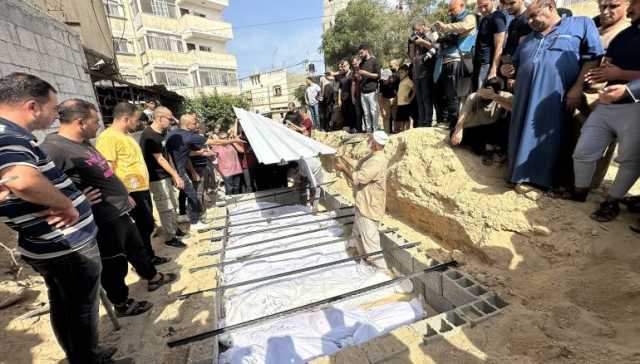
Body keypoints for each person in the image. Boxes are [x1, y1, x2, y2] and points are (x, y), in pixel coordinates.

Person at [0, 73, 131, 364]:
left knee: (68, 306)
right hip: (65, 245)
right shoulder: (6, 135)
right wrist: (67, 205)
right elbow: (20, 179)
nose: (56, 115)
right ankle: (87, 359)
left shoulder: (12, 135)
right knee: (79, 309)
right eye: (53, 108)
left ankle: (85, 353)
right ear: (32, 106)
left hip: (55, 243)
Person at [42, 99, 177, 315]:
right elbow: (41, 186)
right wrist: (74, 199)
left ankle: (153, 277)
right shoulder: (54, 148)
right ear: (80, 122)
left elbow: (106, 170)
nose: (99, 125)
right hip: (102, 217)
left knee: (137, 247)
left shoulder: (83, 142)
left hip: (118, 208)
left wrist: (124, 195)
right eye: (95, 121)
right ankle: (122, 303)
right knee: (115, 263)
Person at [501, 0, 603, 190]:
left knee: (548, 134)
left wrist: (577, 87)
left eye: (534, 15)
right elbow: (514, 64)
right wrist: (508, 70)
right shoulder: (529, 38)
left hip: (555, 96)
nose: (530, 21)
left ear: (550, 6)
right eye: (528, 18)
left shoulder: (580, 24)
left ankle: (540, 181)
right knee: (520, 131)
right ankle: (517, 176)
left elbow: (594, 57)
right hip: (525, 96)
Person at [571, 0, 640, 221]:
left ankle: (612, 202)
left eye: (636, 4)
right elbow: (606, 68)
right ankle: (579, 192)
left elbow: (617, 72)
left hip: (635, 107)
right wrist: (598, 76)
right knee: (584, 151)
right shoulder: (624, 35)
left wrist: (621, 74)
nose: (631, 8)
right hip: (607, 103)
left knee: (629, 160)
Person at [96, 102, 180, 259]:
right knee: (142, 226)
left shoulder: (126, 135)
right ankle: (145, 259)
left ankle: (148, 256)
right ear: (126, 118)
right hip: (129, 192)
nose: (139, 122)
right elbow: (107, 170)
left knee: (147, 225)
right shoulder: (107, 138)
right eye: (136, 119)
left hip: (140, 188)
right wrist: (122, 193)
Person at [335, 131, 390, 270]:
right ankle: (355, 251)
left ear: (376, 144)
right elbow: (358, 164)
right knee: (357, 232)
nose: (368, 141)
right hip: (363, 203)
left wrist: (342, 169)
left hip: (369, 206)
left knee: (371, 242)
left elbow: (358, 177)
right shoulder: (373, 156)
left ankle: (383, 271)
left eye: (370, 140)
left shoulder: (377, 161)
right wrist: (343, 156)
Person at [139, 107, 187, 247]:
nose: (172, 122)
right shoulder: (149, 135)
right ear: (160, 118)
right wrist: (175, 175)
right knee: (166, 207)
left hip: (164, 174)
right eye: (170, 119)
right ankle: (170, 237)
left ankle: (174, 228)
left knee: (172, 204)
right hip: (157, 178)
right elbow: (160, 159)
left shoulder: (162, 132)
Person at [434, 0, 478, 130]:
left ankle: (454, 124)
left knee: (453, 94)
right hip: (446, 61)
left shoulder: (470, 17)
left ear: (462, 6)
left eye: (452, 9)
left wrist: (445, 27)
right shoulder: (454, 22)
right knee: (445, 94)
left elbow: (463, 27)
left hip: (459, 60)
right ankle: (448, 121)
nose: (450, 12)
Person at [451, 79, 513, 163]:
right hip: (476, 128)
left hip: (494, 128)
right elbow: (463, 114)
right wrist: (459, 129)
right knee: (454, 135)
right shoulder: (474, 96)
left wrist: (493, 96)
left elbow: (515, 105)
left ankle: (493, 148)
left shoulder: (502, 96)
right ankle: (487, 148)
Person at [165, 113, 208, 229]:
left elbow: (184, 155)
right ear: (188, 125)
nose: (197, 125)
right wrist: (234, 139)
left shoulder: (174, 134)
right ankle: (194, 222)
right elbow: (215, 142)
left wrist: (192, 171)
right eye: (194, 123)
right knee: (192, 195)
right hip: (177, 171)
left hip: (178, 170)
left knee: (187, 193)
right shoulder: (187, 136)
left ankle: (185, 215)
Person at [409, 18, 437, 127]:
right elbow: (411, 57)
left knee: (426, 98)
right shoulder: (413, 39)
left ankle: (428, 121)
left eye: (418, 29)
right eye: (415, 31)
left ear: (423, 26)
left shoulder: (429, 35)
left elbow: (436, 47)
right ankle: (421, 122)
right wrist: (412, 45)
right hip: (416, 72)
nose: (417, 32)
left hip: (426, 72)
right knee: (419, 99)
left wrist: (422, 41)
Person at [474, 0, 508, 89]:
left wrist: (494, 69)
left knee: (483, 95)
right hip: (479, 63)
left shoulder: (497, 17)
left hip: (487, 64)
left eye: (485, 5)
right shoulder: (485, 18)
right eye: (480, 7)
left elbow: (499, 46)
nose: (483, 9)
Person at [357, 44, 381, 133]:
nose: (360, 55)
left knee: (374, 112)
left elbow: (378, 75)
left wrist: (366, 73)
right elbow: (360, 76)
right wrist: (359, 76)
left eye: (361, 53)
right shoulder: (361, 63)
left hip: (372, 91)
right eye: (359, 53)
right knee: (366, 113)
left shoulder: (374, 61)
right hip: (363, 91)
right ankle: (369, 130)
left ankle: (375, 130)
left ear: (367, 50)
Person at [379, 60, 400, 133]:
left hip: (395, 98)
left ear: (390, 77)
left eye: (386, 79)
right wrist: (382, 110)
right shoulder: (381, 82)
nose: (384, 81)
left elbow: (398, 93)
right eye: (383, 78)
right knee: (385, 117)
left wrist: (394, 100)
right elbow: (380, 96)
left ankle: (397, 132)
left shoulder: (396, 78)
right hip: (385, 98)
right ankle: (386, 133)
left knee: (396, 116)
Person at [337, 60, 357, 133]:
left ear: (348, 65)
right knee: (345, 114)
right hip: (343, 98)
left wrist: (353, 97)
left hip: (351, 98)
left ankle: (354, 128)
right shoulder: (342, 76)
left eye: (344, 66)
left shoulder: (352, 74)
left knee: (352, 113)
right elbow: (340, 88)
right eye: (342, 66)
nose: (343, 68)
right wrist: (339, 99)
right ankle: (348, 129)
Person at [395, 64, 415, 132]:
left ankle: (407, 131)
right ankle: (402, 131)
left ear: (407, 72)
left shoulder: (408, 80)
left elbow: (415, 90)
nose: (400, 74)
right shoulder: (401, 81)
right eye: (399, 72)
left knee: (406, 119)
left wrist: (410, 99)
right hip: (399, 104)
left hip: (405, 103)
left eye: (402, 72)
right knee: (401, 119)